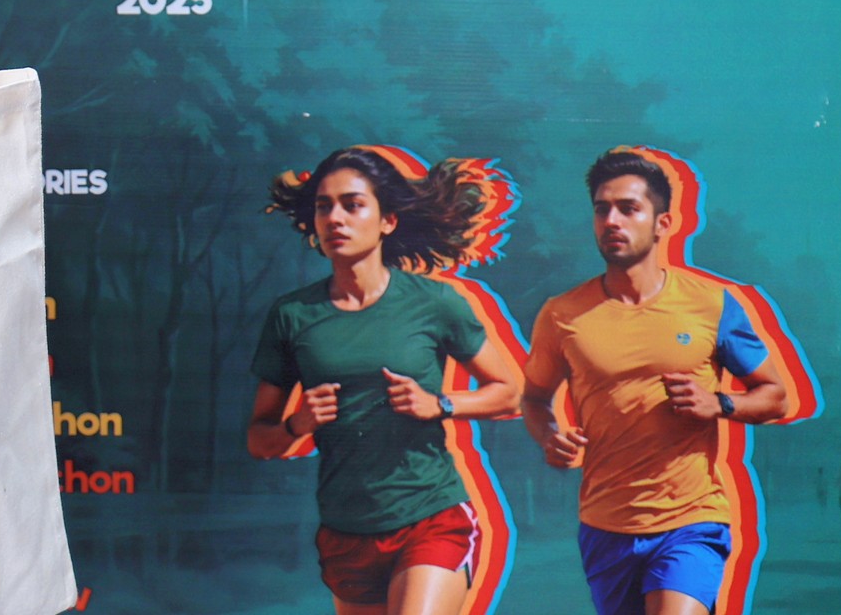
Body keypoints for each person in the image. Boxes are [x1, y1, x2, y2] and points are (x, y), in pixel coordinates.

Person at [247, 147, 527, 615]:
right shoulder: (293, 315)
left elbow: (510, 394)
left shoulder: (435, 303)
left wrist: (440, 404)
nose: (335, 218)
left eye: (352, 205)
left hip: (430, 517)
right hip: (346, 532)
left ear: (387, 221)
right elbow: (259, 440)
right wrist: (298, 425)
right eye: (324, 206)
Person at [520, 150, 793, 615]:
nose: (612, 220)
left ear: (663, 223)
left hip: (692, 519)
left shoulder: (711, 305)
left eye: (628, 208)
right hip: (605, 525)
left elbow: (776, 396)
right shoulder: (561, 315)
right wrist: (549, 435)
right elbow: (533, 398)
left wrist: (720, 404)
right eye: (602, 209)